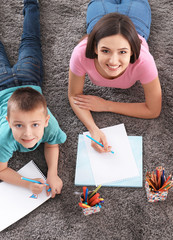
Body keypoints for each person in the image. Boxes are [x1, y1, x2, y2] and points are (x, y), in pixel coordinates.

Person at [0, 0, 66, 198]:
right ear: (8, 121)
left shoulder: (50, 125)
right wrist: (26, 184)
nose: (28, 134)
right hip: (25, 78)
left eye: (35, 125)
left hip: (1, 82)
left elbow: (51, 144)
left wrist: (52, 173)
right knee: (28, 41)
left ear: (46, 120)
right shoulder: (5, 136)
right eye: (19, 125)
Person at [68, 0, 162, 153]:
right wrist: (93, 129)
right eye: (105, 51)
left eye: (122, 52)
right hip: (101, 20)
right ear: (95, 47)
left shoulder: (144, 61)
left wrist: (106, 105)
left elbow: (153, 110)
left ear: (132, 51)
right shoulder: (81, 53)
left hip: (135, 18)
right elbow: (74, 95)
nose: (113, 61)